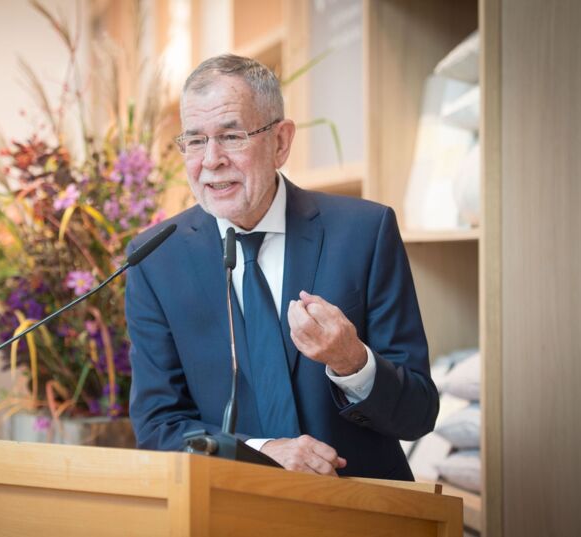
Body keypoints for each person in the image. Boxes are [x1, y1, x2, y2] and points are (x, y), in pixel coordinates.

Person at [125, 54, 438, 479]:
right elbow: (158, 428)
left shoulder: (365, 232)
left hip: (357, 504)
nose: (211, 159)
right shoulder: (155, 258)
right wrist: (263, 452)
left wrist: (352, 362)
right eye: (195, 141)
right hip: (227, 506)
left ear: (280, 142)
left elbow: (419, 414)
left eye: (231, 136)